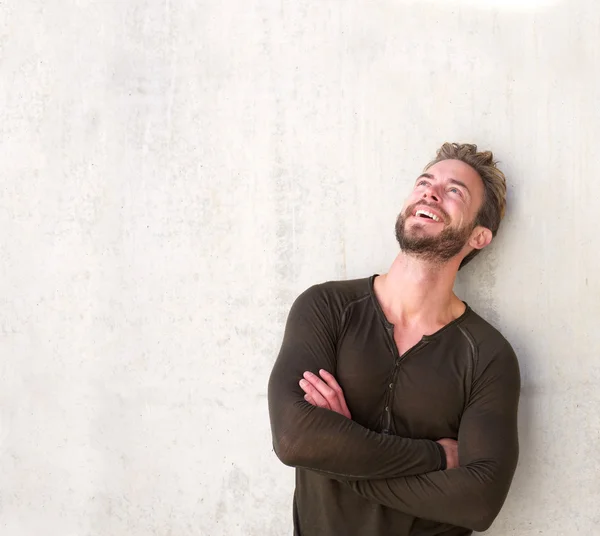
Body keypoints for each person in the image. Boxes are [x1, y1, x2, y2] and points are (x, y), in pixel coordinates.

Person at [267, 143, 521, 536]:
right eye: (425, 182)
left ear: (478, 236)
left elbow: (478, 502)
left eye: (455, 191)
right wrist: (436, 456)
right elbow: (293, 437)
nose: (431, 192)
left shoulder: (487, 355)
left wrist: (337, 453)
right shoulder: (328, 307)